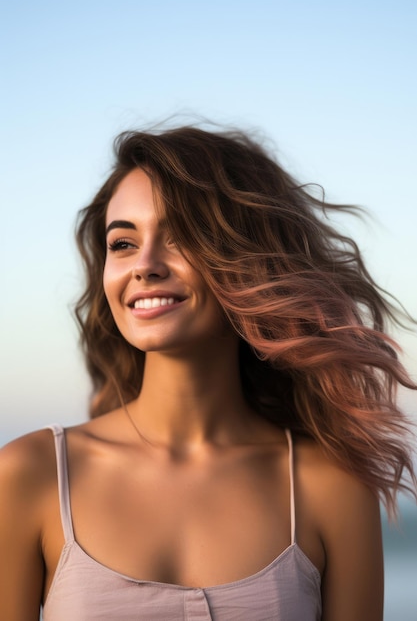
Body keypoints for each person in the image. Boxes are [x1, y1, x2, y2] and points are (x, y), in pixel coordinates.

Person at [0, 125, 416, 621]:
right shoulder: (31, 475)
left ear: (249, 259)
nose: (145, 265)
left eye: (181, 237)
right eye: (124, 243)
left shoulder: (331, 486)